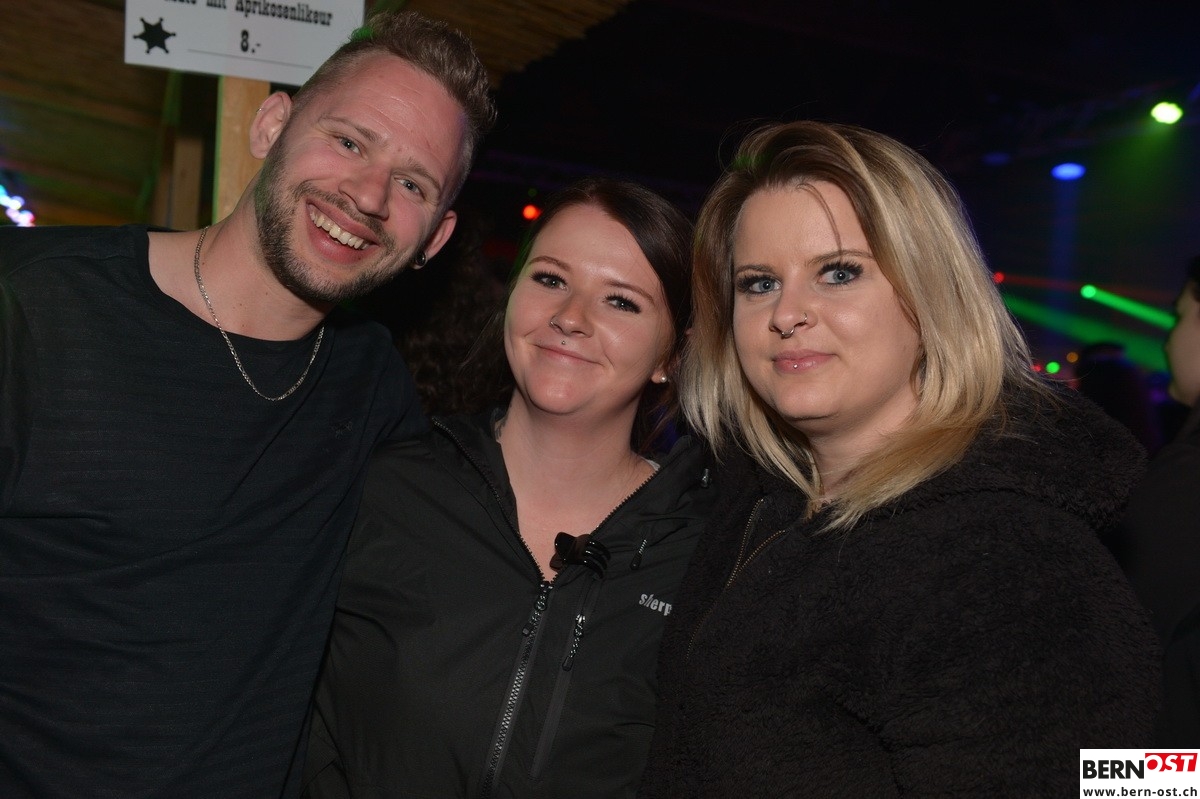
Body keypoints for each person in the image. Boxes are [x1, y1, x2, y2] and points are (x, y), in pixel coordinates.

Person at [0, 10, 494, 797]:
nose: (367, 194)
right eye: (349, 140)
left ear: (434, 238)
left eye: (412, 184)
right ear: (271, 125)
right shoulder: (35, 308)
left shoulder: (374, 390)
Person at [637, 121, 1160, 797]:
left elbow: (1131, 781)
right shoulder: (761, 508)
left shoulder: (1010, 555)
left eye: (839, 272)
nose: (787, 313)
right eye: (759, 283)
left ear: (929, 292)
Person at [302, 178, 713, 798]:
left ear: (671, 358)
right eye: (550, 279)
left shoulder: (704, 554)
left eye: (621, 302)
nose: (570, 317)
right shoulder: (386, 488)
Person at [1117, 255, 1200, 745]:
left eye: (1180, 316)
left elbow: (1114, 635)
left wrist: (1101, 779)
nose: (1169, 339)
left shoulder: (1189, 479)